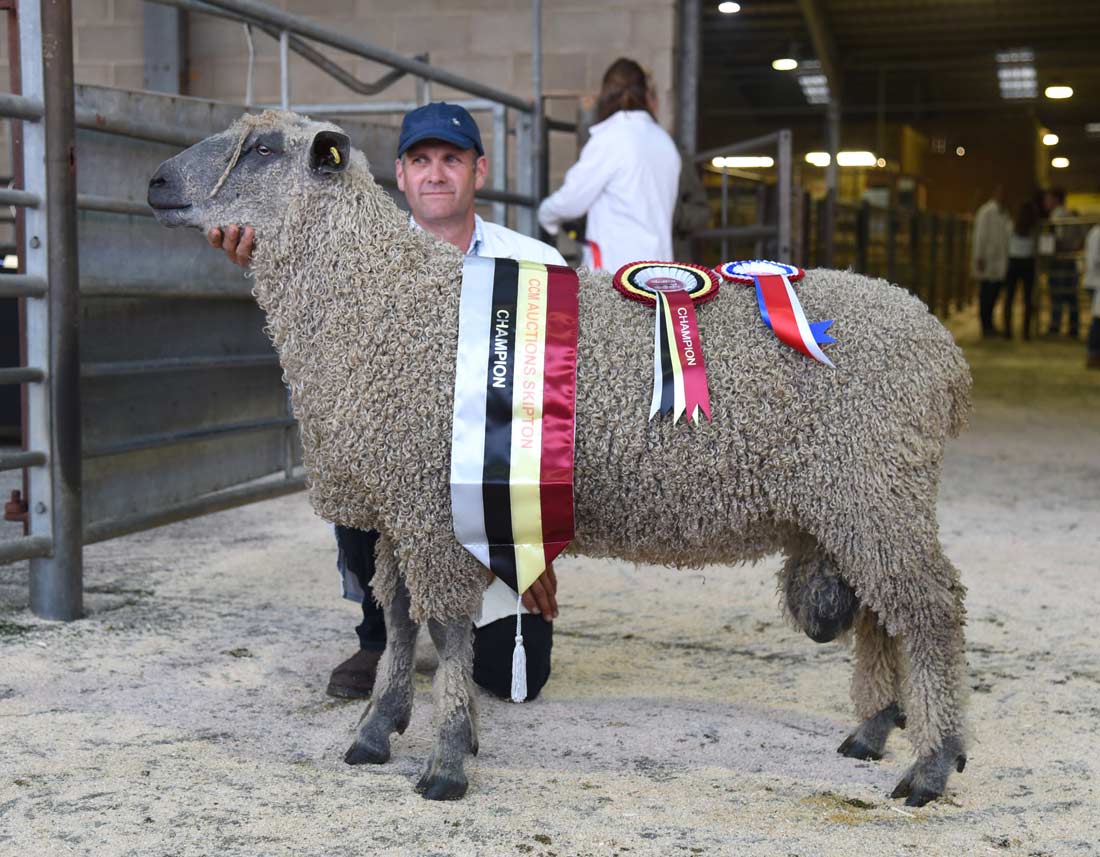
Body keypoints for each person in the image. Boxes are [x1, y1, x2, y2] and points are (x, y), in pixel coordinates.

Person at [207, 102, 565, 702]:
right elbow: (321, 374)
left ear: (479, 171)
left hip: (495, 493)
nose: (435, 173)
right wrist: (263, 263)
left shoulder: (535, 266)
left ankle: (483, 597)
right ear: (398, 176)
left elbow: (553, 414)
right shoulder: (352, 257)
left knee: (510, 681)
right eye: (420, 160)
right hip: (392, 473)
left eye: (452, 159)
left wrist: (534, 544)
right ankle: (380, 633)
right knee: (346, 443)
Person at [536, 58, 681, 273]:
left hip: (618, 277)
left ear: (604, 95)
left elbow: (571, 200)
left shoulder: (611, 139)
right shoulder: (665, 142)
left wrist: (546, 214)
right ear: (645, 93)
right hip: (661, 272)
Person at [970, 186, 1011, 339]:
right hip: (988, 260)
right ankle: (986, 326)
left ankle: (990, 325)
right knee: (986, 294)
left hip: (998, 261)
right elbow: (980, 236)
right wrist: (979, 257)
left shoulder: (1003, 213)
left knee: (993, 294)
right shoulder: (986, 212)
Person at [1042, 188, 1080, 338]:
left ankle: (1055, 325)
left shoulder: (1057, 215)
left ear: (1055, 199)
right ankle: (1073, 327)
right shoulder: (1070, 213)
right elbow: (1080, 236)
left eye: (1048, 199)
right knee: (1071, 295)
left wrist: (1052, 250)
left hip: (1059, 260)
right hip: (1070, 258)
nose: (1045, 202)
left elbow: (1058, 239)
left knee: (1057, 294)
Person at [1003, 200, 1039, 340]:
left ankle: (1008, 331)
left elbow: (1005, 243)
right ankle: (1026, 332)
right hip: (1028, 262)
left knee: (1009, 297)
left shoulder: (1012, 225)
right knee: (1027, 298)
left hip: (1013, 262)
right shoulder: (1033, 228)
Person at [1084, 221, 1100, 368]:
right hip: (1096, 281)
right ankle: (1093, 353)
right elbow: (1094, 259)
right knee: (1098, 318)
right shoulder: (1097, 233)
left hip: (1096, 280)